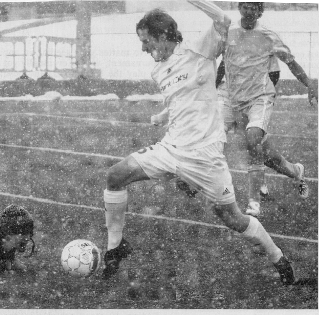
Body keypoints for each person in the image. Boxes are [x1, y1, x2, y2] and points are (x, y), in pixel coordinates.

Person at [102, 1, 295, 286]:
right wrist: (162, 115)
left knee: (233, 218)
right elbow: (182, 100)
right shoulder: (158, 71)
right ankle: (115, 247)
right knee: (114, 176)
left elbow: (223, 18)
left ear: (163, 36)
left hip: (205, 157)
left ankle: (279, 258)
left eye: (146, 41)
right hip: (170, 149)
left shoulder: (199, 49)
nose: (143, 48)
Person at [220, 2, 317, 216]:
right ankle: (295, 171)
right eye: (245, 6)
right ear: (239, 8)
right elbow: (221, 62)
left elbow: (290, 62)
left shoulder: (268, 36)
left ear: (260, 12)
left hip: (260, 98)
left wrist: (309, 84)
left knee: (253, 140)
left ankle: (253, 201)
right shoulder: (229, 32)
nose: (249, 11)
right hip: (234, 99)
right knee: (266, 154)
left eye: (253, 8)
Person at [216, 56, 280, 199]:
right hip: (228, 97)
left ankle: (291, 173)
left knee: (256, 146)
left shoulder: (264, 42)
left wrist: (259, 94)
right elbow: (222, 66)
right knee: (215, 138)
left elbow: (274, 74)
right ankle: (218, 186)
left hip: (250, 100)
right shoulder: (232, 40)